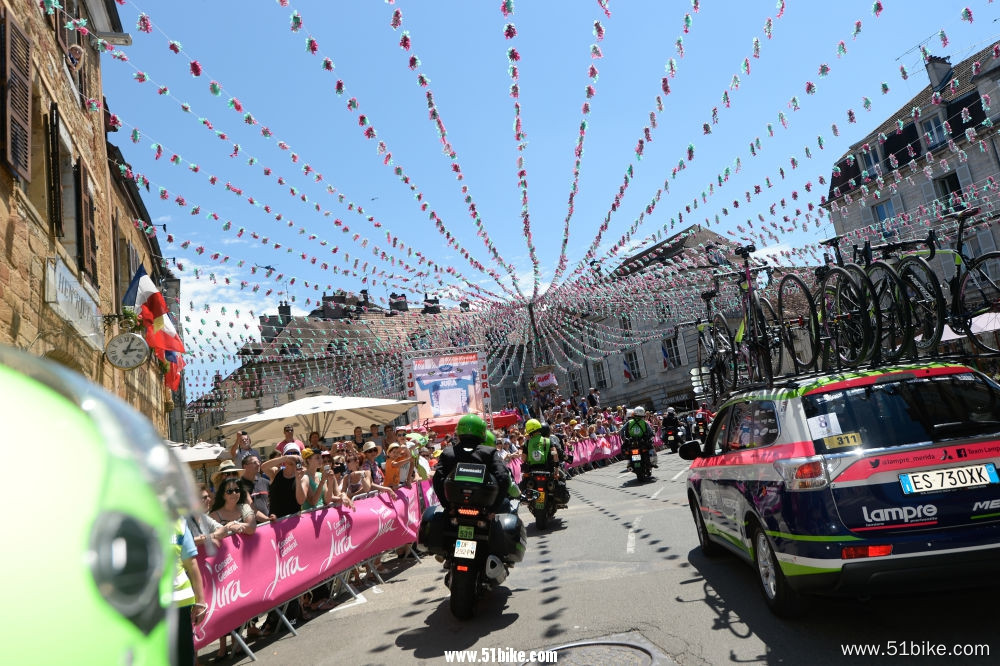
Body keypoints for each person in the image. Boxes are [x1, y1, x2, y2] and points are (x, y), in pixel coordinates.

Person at [433, 414, 518, 514]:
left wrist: (447, 506)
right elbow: (503, 478)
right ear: (482, 432)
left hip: (454, 509)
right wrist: (493, 509)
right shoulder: (489, 452)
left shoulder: (448, 453)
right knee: (507, 508)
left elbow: (437, 479)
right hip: (485, 511)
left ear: (459, 431)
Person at [521, 419, 570, 505]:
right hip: (547, 469)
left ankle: (526, 499)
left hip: (532, 470)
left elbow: (523, 458)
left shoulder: (527, 442)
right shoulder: (547, 441)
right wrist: (557, 469)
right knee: (562, 478)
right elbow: (555, 454)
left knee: (524, 481)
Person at [260, 452, 305, 519]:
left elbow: (301, 501)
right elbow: (263, 467)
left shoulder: (303, 477)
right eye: (290, 454)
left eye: (296, 454)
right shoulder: (276, 472)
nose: (293, 457)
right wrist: (285, 458)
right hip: (276, 519)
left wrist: (298, 479)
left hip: (293, 519)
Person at [239, 455, 275, 524]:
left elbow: (272, 502)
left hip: (268, 525)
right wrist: (268, 520)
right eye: (254, 462)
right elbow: (252, 510)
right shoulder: (239, 486)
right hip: (252, 528)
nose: (258, 464)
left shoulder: (265, 482)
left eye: (259, 462)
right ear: (244, 466)